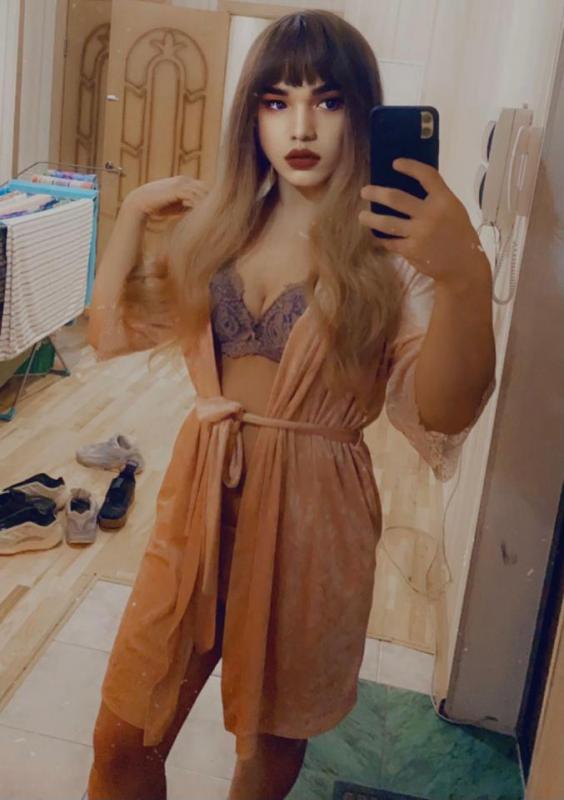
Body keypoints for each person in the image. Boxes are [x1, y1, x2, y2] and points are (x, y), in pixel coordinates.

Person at [85, 10, 497, 800]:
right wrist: (133, 213)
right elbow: (109, 332)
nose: (300, 126)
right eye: (277, 101)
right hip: (198, 503)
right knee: (121, 739)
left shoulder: (389, 254)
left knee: (267, 746)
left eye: (327, 101)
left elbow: (444, 412)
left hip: (315, 519)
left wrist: (465, 277)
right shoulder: (217, 230)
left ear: (362, 113)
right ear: (252, 116)